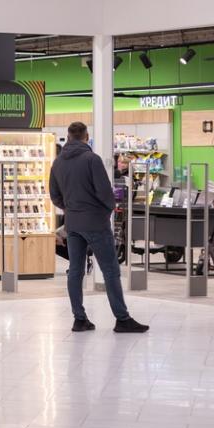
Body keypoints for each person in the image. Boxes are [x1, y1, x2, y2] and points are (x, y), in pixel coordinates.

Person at [49, 122, 148, 333]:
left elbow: (54, 195)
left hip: (72, 224)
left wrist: (69, 209)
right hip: (95, 222)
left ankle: (79, 319)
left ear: (68, 137)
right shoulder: (91, 159)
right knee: (110, 270)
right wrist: (107, 210)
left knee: (75, 270)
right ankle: (122, 319)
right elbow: (104, 192)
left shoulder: (58, 162)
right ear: (86, 137)